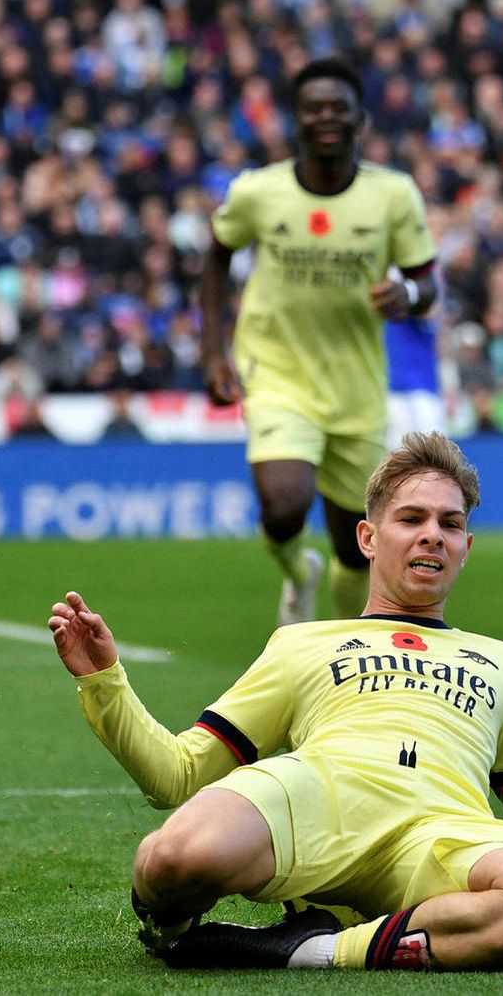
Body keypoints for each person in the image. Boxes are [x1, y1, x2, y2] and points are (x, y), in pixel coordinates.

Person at [49, 432, 503, 972]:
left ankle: (310, 948)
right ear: (368, 536)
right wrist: (104, 679)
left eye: (450, 523)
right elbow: (176, 775)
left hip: (440, 834)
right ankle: (167, 925)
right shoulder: (302, 642)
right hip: (317, 800)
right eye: (412, 518)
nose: (432, 533)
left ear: (465, 546)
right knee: (177, 855)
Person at [199, 57, 437, 629]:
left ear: (361, 119)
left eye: (338, 108)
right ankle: (297, 571)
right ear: (295, 121)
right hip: (278, 373)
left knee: (356, 547)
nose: (326, 117)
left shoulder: (393, 196)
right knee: (284, 504)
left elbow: (428, 282)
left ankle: (344, 641)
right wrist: (213, 350)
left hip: (356, 386)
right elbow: (215, 256)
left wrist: (407, 293)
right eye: (313, 109)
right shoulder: (259, 192)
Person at [384, 299, 444, 446]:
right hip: (390, 389)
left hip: (424, 389)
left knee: (436, 454)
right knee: (396, 456)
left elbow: (428, 310)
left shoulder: (422, 286)